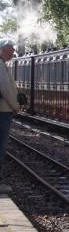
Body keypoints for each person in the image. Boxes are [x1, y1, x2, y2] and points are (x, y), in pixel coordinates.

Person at [0, 38, 21, 186]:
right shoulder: (0, 65)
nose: (14, 51)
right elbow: (5, 89)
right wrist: (15, 106)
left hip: (3, 110)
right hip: (3, 111)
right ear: (3, 49)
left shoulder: (3, 65)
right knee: (1, 145)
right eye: (11, 48)